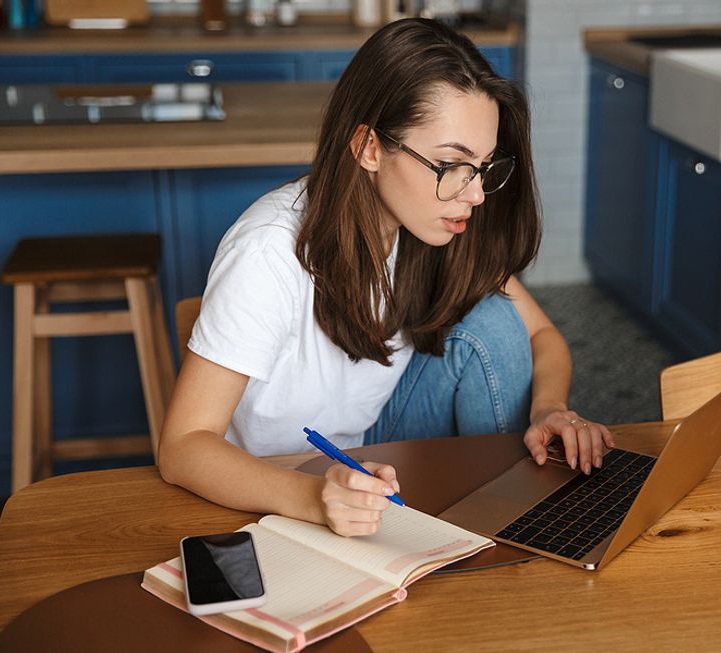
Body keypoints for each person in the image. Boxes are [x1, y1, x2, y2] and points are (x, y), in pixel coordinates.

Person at [158, 17, 613, 537]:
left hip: (375, 442)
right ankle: (500, 527)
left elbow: (540, 335)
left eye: (484, 167)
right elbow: (182, 445)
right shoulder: (269, 250)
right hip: (279, 477)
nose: (475, 194)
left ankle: (502, 524)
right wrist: (313, 496)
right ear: (369, 147)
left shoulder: (436, 222)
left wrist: (549, 409)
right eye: (450, 165)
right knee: (489, 324)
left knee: (493, 322)